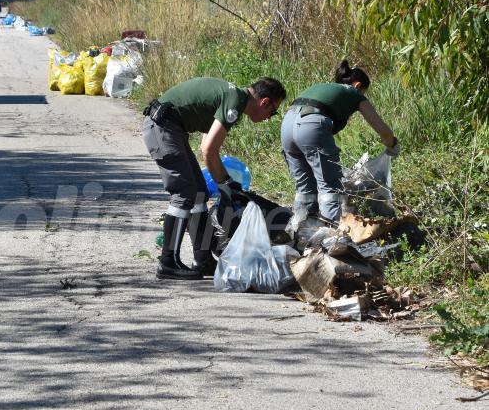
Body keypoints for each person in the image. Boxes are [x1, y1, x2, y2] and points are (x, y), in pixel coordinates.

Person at [142, 76, 286, 280]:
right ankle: (168, 262)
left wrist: (225, 183)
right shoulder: (235, 101)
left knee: (199, 193)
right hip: (162, 127)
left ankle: (202, 260)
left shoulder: (234, 97)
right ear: (264, 102)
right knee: (184, 193)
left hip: (172, 128)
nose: (270, 116)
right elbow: (209, 150)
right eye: (273, 111)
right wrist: (226, 184)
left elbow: (205, 145)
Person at [280, 59, 399, 225]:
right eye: (364, 92)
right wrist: (392, 144)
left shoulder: (323, 87)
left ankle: (300, 231)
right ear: (357, 85)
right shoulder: (353, 93)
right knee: (330, 188)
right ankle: (329, 235)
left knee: (304, 188)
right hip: (311, 126)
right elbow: (381, 128)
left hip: (286, 125)